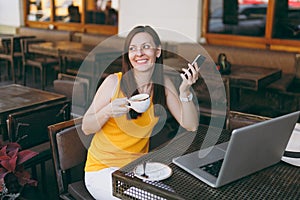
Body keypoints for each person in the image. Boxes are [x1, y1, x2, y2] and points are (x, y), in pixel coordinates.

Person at [82, 25, 200, 199]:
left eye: (146, 47)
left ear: (157, 51)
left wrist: (185, 91)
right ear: (128, 55)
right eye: (133, 48)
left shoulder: (163, 84)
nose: (139, 53)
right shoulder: (114, 82)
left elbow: (190, 125)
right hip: (102, 170)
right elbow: (86, 127)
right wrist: (107, 111)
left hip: (138, 170)